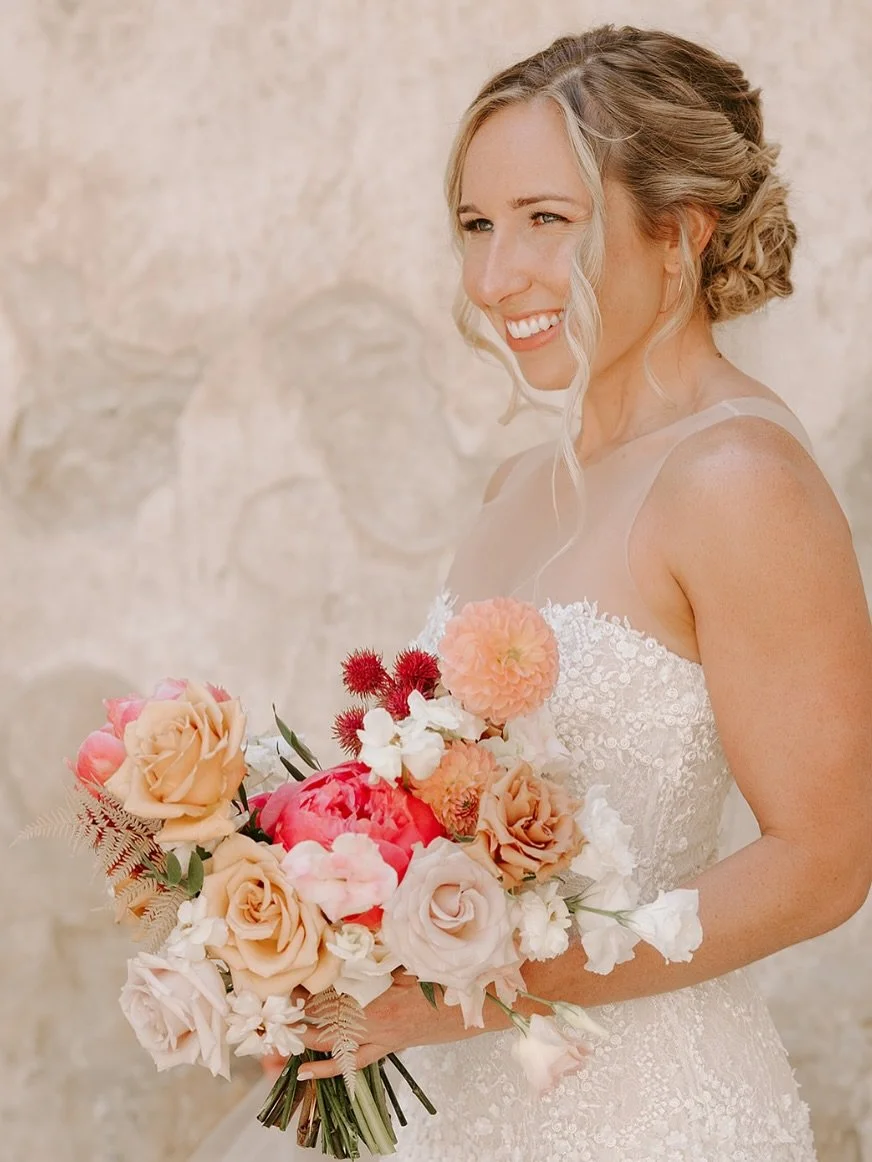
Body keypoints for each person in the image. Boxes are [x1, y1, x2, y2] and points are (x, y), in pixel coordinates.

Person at [197, 24, 872, 1162]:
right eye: (475, 225)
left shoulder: (736, 479)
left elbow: (825, 859)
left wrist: (486, 982)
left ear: (681, 230)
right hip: (458, 1095)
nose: (493, 274)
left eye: (546, 222)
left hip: (644, 1113)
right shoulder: (520, 484)